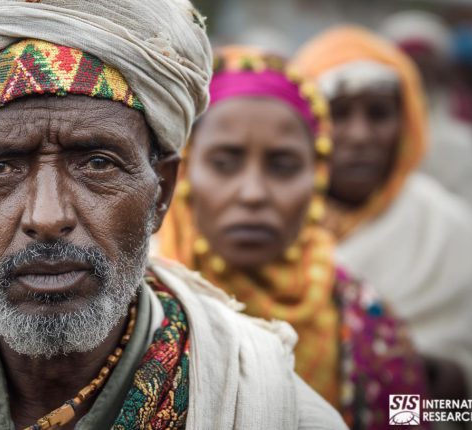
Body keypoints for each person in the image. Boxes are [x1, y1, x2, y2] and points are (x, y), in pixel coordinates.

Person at [0, 1, 347, 429]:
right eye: (0, 168)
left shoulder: (276, 415)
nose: (47, 216)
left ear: (162, 193)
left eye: (98, 163)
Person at [155, 45, 428, 429]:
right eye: (224, 163)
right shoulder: (137, 313)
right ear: (183, 173)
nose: (253, 193)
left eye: (283, 166)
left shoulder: (369, 328)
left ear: (317, 177)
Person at [290, 26, 472, 426]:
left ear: (406, 122)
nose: (360, 135)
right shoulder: (272, 224)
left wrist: (426, 391)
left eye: (378, 114)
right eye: (339, 113)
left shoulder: (452, 230)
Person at [380, 11, 472, 245]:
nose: (417, 75)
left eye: (424, 65)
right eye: (408, 66)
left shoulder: (463, 141)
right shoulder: (372, 139)